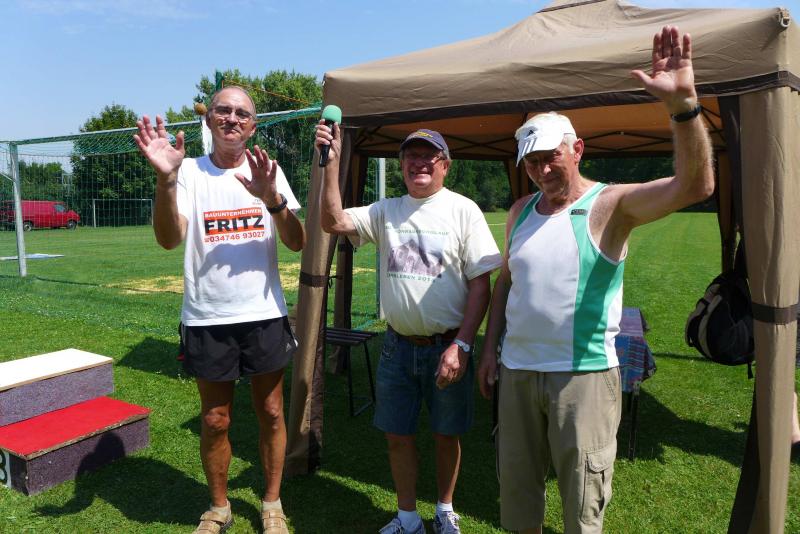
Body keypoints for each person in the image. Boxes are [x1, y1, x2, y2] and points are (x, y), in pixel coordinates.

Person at [478, 26, 714, 534]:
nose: (542, 169)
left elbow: (695, 185)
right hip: (517, 373)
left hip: (582, 378)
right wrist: (489, 349)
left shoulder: (610, 205)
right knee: (517, 497)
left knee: (582, 507)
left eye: (551, 156)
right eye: (532, 161)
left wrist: (683, 107)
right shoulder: (520, 211)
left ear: (577, 149)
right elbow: (506, 285)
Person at [134, 86, 305, 534]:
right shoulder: (187, 171)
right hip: (207, 317)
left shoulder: (268, 170)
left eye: (242, 113)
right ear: (209, 119)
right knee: (214, 420)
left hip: (264, 314)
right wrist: (165, 180)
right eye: (223, 111)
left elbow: (297, 241)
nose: (232, 118)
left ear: (253, 125)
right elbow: (169, 239)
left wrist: (273, 199)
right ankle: (218, 507)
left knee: (271, 412)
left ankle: (272, 504)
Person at [315, 125, 502, 533]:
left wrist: (463, 345)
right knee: (397, 434)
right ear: (401, 165)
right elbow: (333, 221)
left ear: (445, 166)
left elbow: (481, 284)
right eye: (411, 156)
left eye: (428, 156)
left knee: (447, 434)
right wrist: (332, 164)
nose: (419, 163)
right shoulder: (386, 210)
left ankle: (445, 510)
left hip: (447, 347)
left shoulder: (464, 210)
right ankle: (407, 517)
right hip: (396, 347)